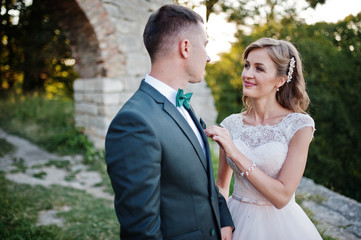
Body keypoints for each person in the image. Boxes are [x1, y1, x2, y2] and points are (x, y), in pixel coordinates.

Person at [105, 4, 234, 240]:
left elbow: (201, 184)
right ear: (185, 47)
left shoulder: (182, 104)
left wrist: (223, 220)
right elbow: (140, 230)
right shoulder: (134, 122)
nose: (209, 57)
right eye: (204, 46)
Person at [205, 37, 323, 239]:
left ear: (280, 80)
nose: (247, 74)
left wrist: (235, 153)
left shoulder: (299, 126)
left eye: (259, 69)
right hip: (236, 220)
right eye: (247, 65)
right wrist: (222, 222)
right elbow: (222, 186)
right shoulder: (230, 124)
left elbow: (282, 196)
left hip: (281, 227)